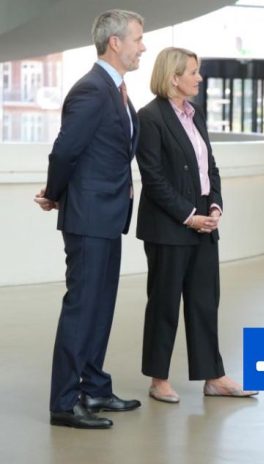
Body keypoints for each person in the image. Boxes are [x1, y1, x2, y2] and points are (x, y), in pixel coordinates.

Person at [33, 9, 146, 429]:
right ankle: (64, 402)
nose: (143, 47)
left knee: (100, 307)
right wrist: (54, 193)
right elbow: (65, 150)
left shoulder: (115, 90)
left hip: (108, 216)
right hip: (88, 217)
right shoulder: (92, 89)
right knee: (83, 308)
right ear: (115, 42)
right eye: (138, 38)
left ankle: (94, 387)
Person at [136, 47, 257, 402]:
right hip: (169, 225)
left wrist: (215, 205)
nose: (199, 78)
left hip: (205, 220)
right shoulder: (150, 117)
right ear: (174, 78)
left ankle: (213, 377)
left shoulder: (196, 114)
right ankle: (158, 379)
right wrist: (189, 215)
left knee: (205, 301)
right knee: (164, 304)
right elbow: (153, 178)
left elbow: (209, 167)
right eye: (193, 72)